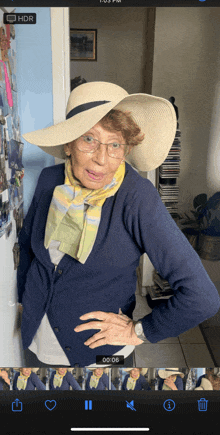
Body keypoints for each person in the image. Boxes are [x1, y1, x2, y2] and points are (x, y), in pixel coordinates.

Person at [17, 81, 220, 368]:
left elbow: (202, 297)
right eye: (89, 139)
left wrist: (138, 331)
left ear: (125, 150)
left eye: (115, 145)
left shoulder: (137, 197)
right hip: (36, 342)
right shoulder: (51, 180)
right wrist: (23, 300)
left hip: (100, 358)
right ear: (69, 143)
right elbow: (28, 248)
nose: (101, 159)